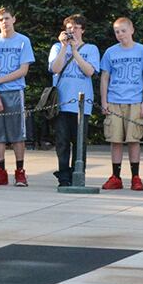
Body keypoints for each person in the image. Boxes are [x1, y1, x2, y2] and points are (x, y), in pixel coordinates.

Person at [0, 8, 36, 187]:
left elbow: (23, 70)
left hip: (14, 91)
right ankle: (1, 172)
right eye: (0, 19)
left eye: (7, 18)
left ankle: (20, 172)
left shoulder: (23, 41)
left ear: (14, 19)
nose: (4, 22)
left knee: (17, 134)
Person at [49, 15, 100, 187]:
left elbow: (89, 71)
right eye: (69, 28)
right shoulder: (57, 47)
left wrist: (75, 51)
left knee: (80, 143)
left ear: (83, 30)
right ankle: (63, 176)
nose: (73, 31)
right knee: (62, 141)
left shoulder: (91, 49)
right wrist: (65, 47)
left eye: (76, 28)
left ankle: (78, 174)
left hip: (81, 105)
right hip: (61, 103)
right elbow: (55, 68)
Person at [99, 17, 143, 191]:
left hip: (135, 100)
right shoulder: (110, 52)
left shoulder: (142, 51)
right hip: (114, 100)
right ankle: (116, 176)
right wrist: (104, 101)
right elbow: (105, 78)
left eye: (123, 31)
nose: (120, 34)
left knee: (134, 139)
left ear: (132, 30)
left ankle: (135, 177)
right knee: (115, 140)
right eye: (117, 32)